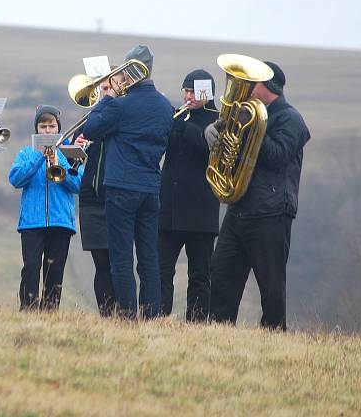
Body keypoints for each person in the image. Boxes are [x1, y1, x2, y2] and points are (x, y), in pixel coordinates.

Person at [205, 61, 310, 330]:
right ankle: (218, 330)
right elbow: (227, 142)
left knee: (271, 284)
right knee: (221, 273)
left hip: (271, 212)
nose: (248, 88)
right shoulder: (246, 113)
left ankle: (273, 336)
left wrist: (254, 130)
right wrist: (215, 132)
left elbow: (277, 157)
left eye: (253, 83)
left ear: (266, 87)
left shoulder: (291, 119)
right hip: (239, 208)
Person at [82, 45, 173, 320]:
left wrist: (107, 97)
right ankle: (152, 316)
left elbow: (91, 128)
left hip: (121, 187)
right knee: (148, 258)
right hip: (150, 189)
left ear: (130, 69)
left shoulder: (120, 105)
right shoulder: (165, 106)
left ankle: (127, 317)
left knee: (121, 257)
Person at [158, 69, 220, 321]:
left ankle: (196, 323)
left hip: (201, 212)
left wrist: (177, 124)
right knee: (161, 270)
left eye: (193, 91)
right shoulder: (176, 117)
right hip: (169, 209)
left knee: (199, 276)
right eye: (185, 90)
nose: (188, 95)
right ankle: (157, 318)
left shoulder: (219, 119)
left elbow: (209, 146)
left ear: (207, 93)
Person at [8, 105, 83, 311]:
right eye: (43, 126)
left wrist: (58, 162)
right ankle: (28, 310)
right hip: (32, 222)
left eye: (52, 126)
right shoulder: (26, 153)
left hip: (61, 222)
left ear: (58, 128)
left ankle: (50, 314)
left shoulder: (70, 154)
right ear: (36, 129)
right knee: (31, 268)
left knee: (55, 271)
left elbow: (78, 185)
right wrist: (39, 156)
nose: (48, 131)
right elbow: (15, 179)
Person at [72, 78, 116, 317]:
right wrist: (77, 146)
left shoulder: (120, 117)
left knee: (116, 262)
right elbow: (70, 160)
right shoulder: (91, 121)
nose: (106, 94)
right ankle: (107, 316)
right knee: (100, 261)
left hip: (115, 197)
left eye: (110, 89)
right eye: (103, 89)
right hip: (90, 197)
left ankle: (123, 314)